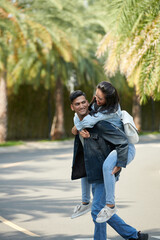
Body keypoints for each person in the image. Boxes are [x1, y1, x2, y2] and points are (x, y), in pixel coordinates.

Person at [70, 90, 148, 240]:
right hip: (94, 169)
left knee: (97, 210)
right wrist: (77, 130)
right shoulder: (77, 120)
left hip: (107, 167)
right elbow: (77, 132)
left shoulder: (99, 121)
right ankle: (134, 236)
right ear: (72, 107)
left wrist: (119, 163)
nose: (81, 106)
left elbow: (121, 142)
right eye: (77, 104)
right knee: (100, 211)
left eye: (83, 102)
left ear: (89, 102)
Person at [71, 81, 136, 223]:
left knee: (107, 167)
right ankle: (85, 202)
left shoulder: (107, 112)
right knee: (85, 164)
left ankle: (111, 206)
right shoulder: (97, 105)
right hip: (112, 147)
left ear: (108, 101)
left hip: (123, 147)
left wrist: (120, 162)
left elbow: (85, 123)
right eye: (96, 96)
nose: (96, 99)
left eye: (100, 98)